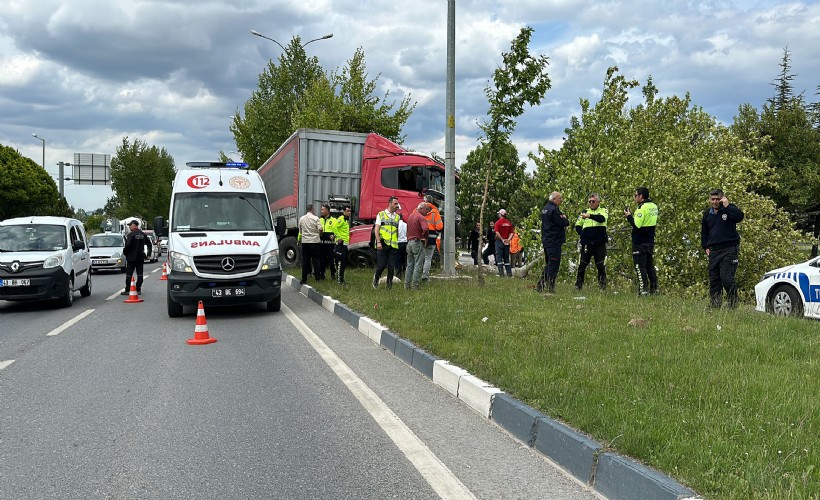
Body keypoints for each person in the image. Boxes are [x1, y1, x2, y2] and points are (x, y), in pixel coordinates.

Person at [701, 189, 744, 308]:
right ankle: (715, 305)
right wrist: (705, 246)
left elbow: (740, 217)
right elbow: (704, 232)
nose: (715, 201)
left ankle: (732, 304)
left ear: (722, 198)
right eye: (712, 199)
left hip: (729, 249)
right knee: (714, 279)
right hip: (714, 250)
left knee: (726, 278)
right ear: (710, 200)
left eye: (717, 199)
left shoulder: (729, 209)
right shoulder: (707, 214)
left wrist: (728, 206)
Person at [624, 186, 659, 295]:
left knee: (639, 266)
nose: (634, 198)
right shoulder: (654, 206)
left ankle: (643, 290)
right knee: (649, 266)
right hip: (650, 241)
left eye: (635, 195)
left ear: (641, 196)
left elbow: (637, 225)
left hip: (639, 242)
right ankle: (654, 289)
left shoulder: (641, 208)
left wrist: (629, 216)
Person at [574, 193, 608, 291]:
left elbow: (602, 219)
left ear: (598, 202)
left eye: (593, 201)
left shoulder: (603, 210)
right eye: (589, 201)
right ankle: (578, 286)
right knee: (582, 265)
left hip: (599, 243)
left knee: (600, 265)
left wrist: (589, 216)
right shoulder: (584, 212)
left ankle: (602, 287)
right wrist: (582, 235)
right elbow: (577, 225)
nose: (591, 203)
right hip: (587, 244)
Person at [537, 192, 569, 293]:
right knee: (554, 265)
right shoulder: (554, 210)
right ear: (554, 199)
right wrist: (565, 219)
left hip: (547, 240)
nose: (561, 200)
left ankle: (541, 285)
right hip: (554, 241)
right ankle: (549, 286)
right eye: (560, 198)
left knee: (549, 264)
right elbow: (563, 222)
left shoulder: (545, 209)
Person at [373, 196, 401, 289]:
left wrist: (397, 241)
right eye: (395, 204)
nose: (397, 206)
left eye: (397, 204)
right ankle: (376, 280)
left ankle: (389, 286)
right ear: (389, 204)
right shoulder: (381, 214)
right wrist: (378, 242)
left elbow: (397, 231)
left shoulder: (397, 217)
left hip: (393, 245)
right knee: (381, 265)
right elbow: (376, 229)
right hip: (383, 243)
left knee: (391, 266)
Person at [404, 202, 431, 289]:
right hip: (417, 242)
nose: (427, 212)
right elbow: (426, 229)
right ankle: (415, 286)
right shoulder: (421, 217)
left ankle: (406, 285)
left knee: (409, 265)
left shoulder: (411, 216)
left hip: (409, 243)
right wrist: (425, 237)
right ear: (421, 208)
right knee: (418, 265)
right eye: (427, 209)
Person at [122, 219, 151, 295]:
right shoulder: (143, 234)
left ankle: (128, 289)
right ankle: (138, 289)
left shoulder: (131, 235)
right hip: (140, 257)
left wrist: (125, 252)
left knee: (129, 274)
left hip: (131, 257)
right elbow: (149, 244)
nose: (129, 227)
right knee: (140, 274)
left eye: (130, 225)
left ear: (134, 225)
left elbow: (127, 245)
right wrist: (148, 254)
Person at [298, 204, 322, 285]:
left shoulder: (301, 219)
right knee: (316, 260)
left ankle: (304, 279)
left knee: (305, 261)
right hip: (314, 242)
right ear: (312, 209)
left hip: (305, 242)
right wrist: (319, 233)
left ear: (306, 209)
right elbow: (320, 229)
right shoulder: (316, 218)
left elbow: (300, 231)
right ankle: (317, 278)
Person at [421, 195, 443, 281]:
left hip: (421, 237)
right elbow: (440, 226)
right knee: (428, 258)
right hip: (431, 238)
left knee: (419, 257)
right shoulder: (435, 212)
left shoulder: (419, 210)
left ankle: (416, 275)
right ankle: (425, 276)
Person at [333, 205, 352, 284]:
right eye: (347, 211)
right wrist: (339, 237)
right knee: (340, 262)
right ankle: (339, 280)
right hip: (341, 244)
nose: (349, 213)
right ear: (344, 211)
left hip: (345, 244)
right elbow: (334, 227)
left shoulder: (346, 220)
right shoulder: (341, 219)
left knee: (344, 262)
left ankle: (341, 278)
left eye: (350, 211)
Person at [494, 209, 514, 277]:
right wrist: (508, 240)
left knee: (499, 258)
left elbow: (497, 232)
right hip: (506, 242)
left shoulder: (497, 223)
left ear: (500, 214)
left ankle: (501, 274)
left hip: (500, 241)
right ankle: (509, 274)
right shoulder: (509, 223)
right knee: (506, 259)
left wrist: (502, 239)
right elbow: (512, 233)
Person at [319, 204, 335, 280]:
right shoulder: (319, 220)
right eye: (321, 209)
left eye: (323, 209)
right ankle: (322, 275)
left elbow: (337, 232)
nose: (321, 211)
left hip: (330, 245)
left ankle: (333, 275)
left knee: (332, 260)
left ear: (327, 211)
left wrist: (334, 236)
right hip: (322, 244)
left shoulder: (334, 220)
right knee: (322, 260)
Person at [397, 211, 408, 276]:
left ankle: (398, 273)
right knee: (404, 258)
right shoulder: (406, 224)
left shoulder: (396, 225)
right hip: (405, 242)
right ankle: (405, 271)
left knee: (398, 259)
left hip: (398, 243)